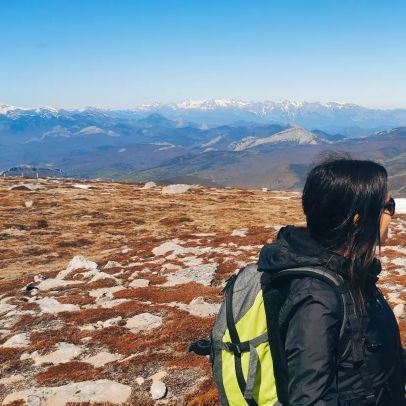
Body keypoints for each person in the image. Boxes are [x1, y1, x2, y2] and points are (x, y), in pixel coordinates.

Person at [257, 157, 406, 405]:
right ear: (358, 221)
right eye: (387, 205)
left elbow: (374, 351)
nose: (392, 213)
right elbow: (310, 398)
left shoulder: (353, 272)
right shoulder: (317, 298)